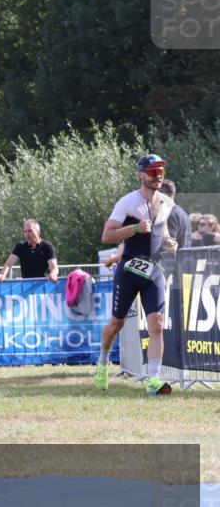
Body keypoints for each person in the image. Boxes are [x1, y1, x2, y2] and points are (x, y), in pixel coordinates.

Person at [94, 154, 177, 395]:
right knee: (116, 324)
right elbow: (107, 236)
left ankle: (153, 380)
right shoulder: (128, 203)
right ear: (140, 174)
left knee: (157, 326)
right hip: (129, 269)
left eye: (161, 170)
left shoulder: (165, 203)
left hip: (154, 271)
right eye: (152, 171)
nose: (158, 175)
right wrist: (135, 228)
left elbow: (164, 235)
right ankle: (102, 363)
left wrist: (171, 243)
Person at [0, 219, 59, 283]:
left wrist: (53, 274)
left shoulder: (47, 246)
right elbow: (8, 264)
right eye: (25, 231)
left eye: (30, 231)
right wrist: (2, 274)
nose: (27, 234)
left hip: (43, 287)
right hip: (26, 287)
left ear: (38, 232)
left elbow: (54, 268)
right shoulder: (20, 246)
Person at [159, 179, 191, 249]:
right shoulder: (182, 213)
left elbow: (169, 248)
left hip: (175, 259)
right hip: (184, 258)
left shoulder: (171, 215)